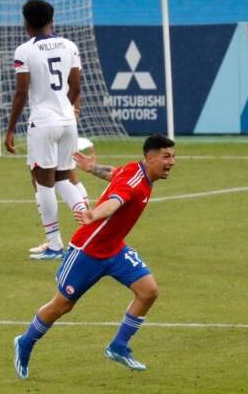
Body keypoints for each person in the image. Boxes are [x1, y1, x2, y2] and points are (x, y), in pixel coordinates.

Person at [13, 134, 176, 379]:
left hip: (115, 249)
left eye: (173, 156)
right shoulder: (133, 183)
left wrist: (91, 168)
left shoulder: (136, 170)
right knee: (62, 305)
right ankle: (24, 342)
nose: (172, 162)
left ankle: (118, 346)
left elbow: (114, 173)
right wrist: (93, 215)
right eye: (166, 156)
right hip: (87, 251)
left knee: (148, 291)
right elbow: (114, 201)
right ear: (150, 158)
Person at [5, 0, 88, 260]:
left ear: (26, 23)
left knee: (44, 184)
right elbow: (76, 85)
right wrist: (67, 107)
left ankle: (54, 245)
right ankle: (91, 227)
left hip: (43, 123)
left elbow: (20, 93)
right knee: (64, 178)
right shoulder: (69, 46)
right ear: (52, 20)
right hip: (67, 121)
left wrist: (9, 130)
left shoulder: (24, 51)